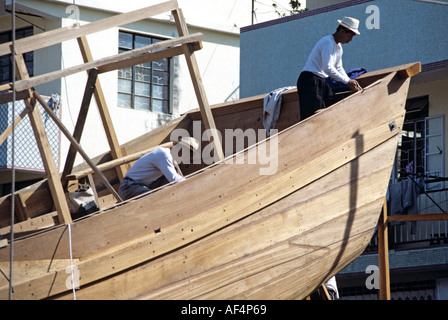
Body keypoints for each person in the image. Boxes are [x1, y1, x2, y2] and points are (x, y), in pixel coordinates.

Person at [297, 16, 363, 121]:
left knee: (329, 107)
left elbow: (339, 67)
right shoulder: (328, 42)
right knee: (312, 116)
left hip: (321, 80)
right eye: (350, 36)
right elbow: (327, 68)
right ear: (342, 31)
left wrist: (349, 81)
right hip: (310, 80)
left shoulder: (338, 47)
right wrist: (347, 81)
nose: (350, 40)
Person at [118, 137, 199, 200]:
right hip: (128, 188)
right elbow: (174, 178)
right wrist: (193, 185)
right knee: (154, 199)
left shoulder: (170, 159)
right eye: (189, 154)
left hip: (140, 186)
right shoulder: (164, 154)